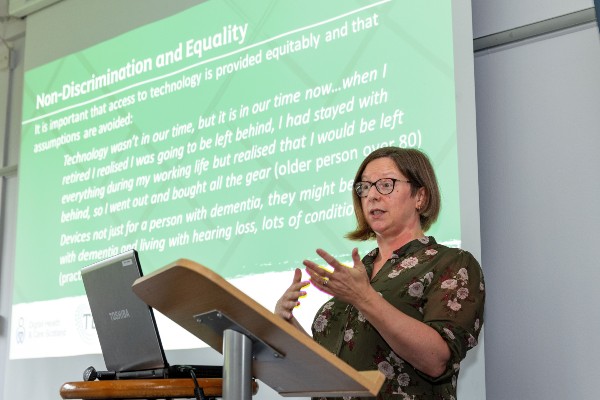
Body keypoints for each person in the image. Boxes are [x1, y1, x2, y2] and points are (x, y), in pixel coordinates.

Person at [275, 147, 485, 400]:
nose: (372, 195)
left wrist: (365, 298)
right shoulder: (357, 274)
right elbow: (327, 372)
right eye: (364, 187)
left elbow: (436, 360)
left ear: (420, 196)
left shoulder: (450, 263)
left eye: (385, 185)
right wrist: (286, 326)